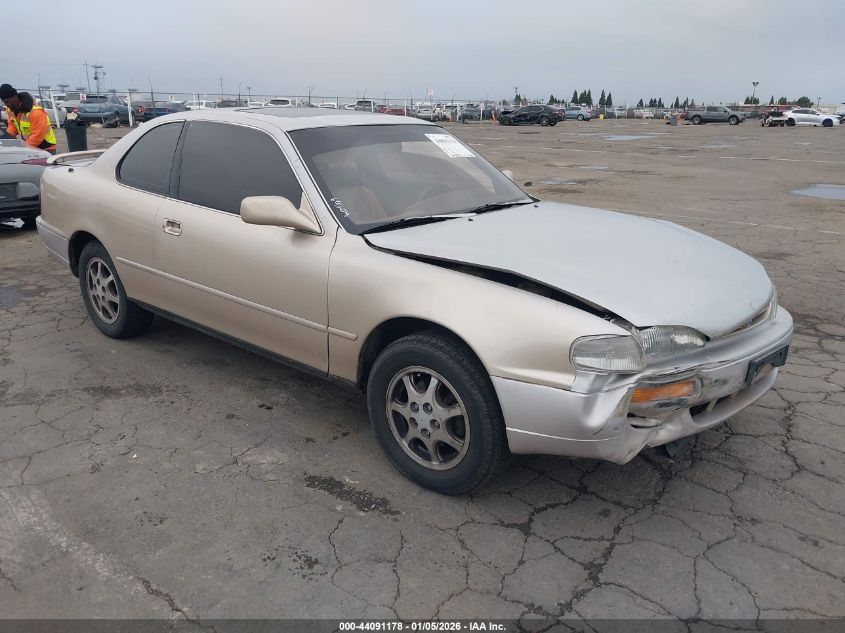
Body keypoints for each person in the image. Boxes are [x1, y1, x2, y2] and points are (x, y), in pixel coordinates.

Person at [1, 84, 57, 154]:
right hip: (31, 148)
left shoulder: (35, 112)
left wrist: (24, 149)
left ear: (15, 97)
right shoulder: (11, 110)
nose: (6, 105)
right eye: (4, 102)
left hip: (46, 149)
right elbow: (12, 127)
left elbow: (37, 135)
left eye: (7, 102)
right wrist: (7, 140)